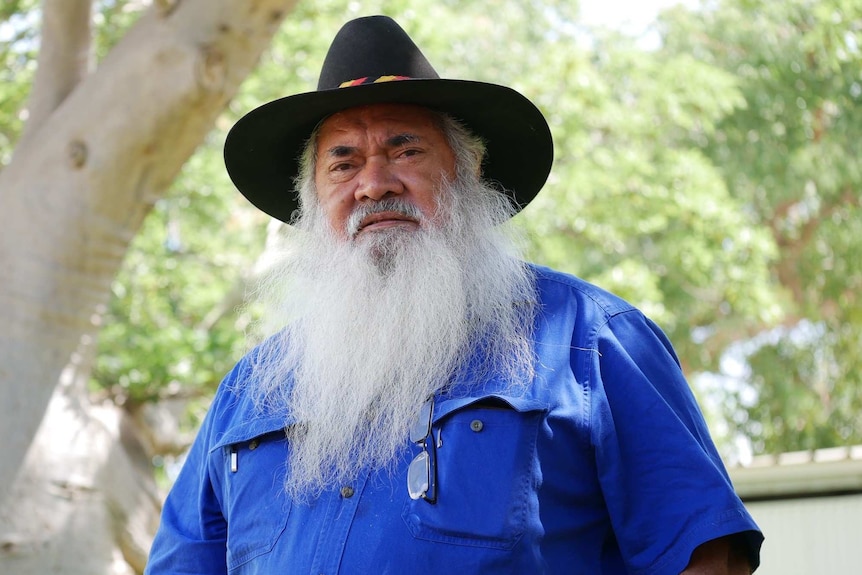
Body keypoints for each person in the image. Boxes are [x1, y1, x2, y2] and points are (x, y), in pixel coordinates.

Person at [145, 15, 763, 574]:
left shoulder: (588, 338)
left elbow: (706, 558)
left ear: (467, 174)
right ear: (312, 201)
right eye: (343, 162)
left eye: (404, 149)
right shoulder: (251, 390)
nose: (373, 183)